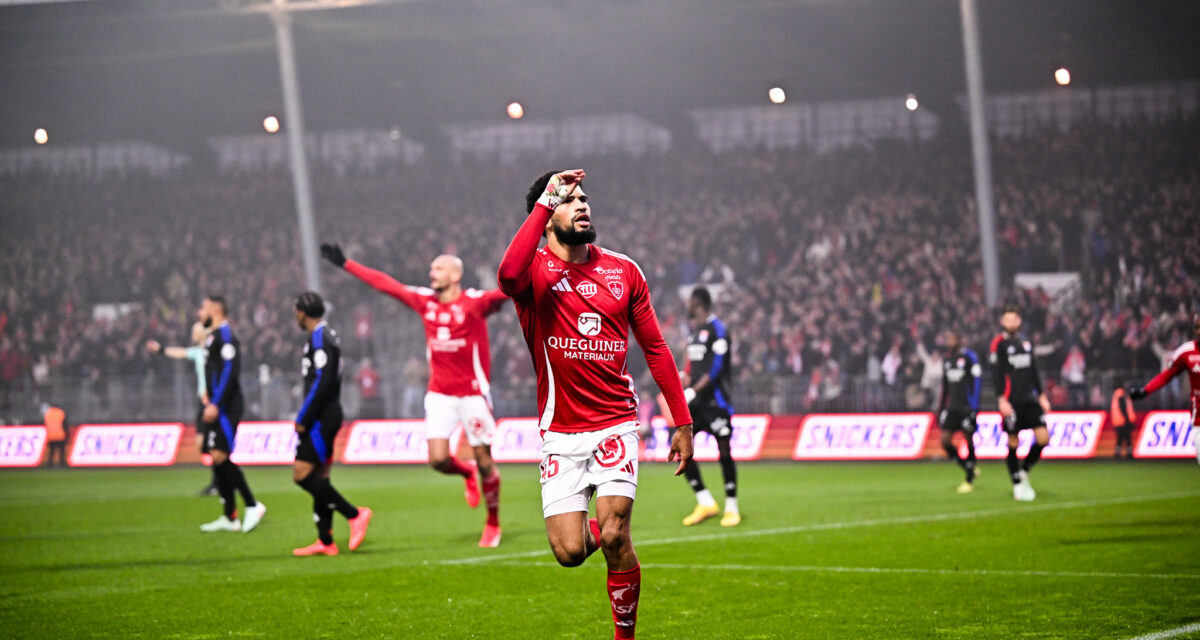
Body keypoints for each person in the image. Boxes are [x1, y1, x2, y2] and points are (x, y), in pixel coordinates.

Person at [497, 168, 694, 640]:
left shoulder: (623, 271)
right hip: (560, 433)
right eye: (569, 200)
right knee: (568, 552)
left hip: (615, 425)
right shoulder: (532, 275)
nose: (582, 204)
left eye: (584, 198)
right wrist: (547, 197)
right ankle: (599, 523)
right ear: (545, 217)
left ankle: (623, 637)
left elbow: (657, 349)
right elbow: (505, 275)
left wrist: (681, 420)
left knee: (612, 534)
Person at [320, 244, 508, 547]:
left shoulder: (475, 303)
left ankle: (492, 523)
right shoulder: (425, 302)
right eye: (431, 269)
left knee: (486, 460)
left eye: (438, 269)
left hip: (473, 394)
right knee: (436, 459)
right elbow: (386, 284)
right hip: (439, 394)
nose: (431, 273)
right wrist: (346, 264)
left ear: (456, 274)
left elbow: (508, 290)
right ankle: (466, 473)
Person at [289, 292, 372, 556]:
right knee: (319, 476)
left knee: (301, 474)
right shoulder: (324, 336)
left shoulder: (320, 337)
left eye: (296, 311)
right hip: (325, 414)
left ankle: (355, 514)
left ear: (303, 312)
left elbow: (322, 382)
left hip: (320, 417)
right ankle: (325, 540)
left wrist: (303, 416)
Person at [196, 295, 266, 532]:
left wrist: (216, 403)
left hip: (226, 407)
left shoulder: (226, 335)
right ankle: (229, 516)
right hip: (216, 405)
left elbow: (230, 370)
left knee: (219, 456)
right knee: (215, 456)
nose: (199, 313)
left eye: (203, 308)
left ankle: (252, 504)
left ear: (216, 309)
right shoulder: (213, 336)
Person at [677, 286, 740, 527]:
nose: (688, 305)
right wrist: (685, 376)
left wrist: (694, 389)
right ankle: (705, 501)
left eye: (690, 301)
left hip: (716, 401)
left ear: (698, 302)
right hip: (696, 404)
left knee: (723, 450)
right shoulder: (695, 333)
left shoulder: (718, 329)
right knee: (683, 448)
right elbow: (693, 364)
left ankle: (731, 506)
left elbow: (716, 368)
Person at [146, 322, 218, 495]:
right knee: (202, 444)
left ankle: (218, 482)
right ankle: (221, 472)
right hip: (203, 401)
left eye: (195, 330)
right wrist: (161, 350)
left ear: (203, 333)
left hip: (214, 402)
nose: (192, 333)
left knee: (213, 444)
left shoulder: (213, 351)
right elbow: (180, 352)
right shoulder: (197, 352)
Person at [989, 304, 1052, 501]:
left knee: (1043, 437)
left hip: (1029, 400)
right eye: (1007, 319)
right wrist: (1001, 400)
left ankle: (1024, 470)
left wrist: (1041, 395)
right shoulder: (998, 344)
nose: (1011, 323)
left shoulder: (1026, 342)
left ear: (1019, 321)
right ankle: (1017, 483)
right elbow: (997, 374)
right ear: (1002, 322)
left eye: (1014, 319)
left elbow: (1033, 370)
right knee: (1013, 441)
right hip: (1011, 401)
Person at [1129, 315, 1200, 465]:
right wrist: (1145, 391)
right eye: (1196, 328)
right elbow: (1166, 376)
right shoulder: (1186, 351)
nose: (1199, 331)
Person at [937, 330, 982, 493]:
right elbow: (945, 387)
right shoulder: (947, 360)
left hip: (967, 407)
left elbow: (977, 383)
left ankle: (969, 480)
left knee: (968, 440)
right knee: (945, 441)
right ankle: (968, 467)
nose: (949, 342)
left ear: (959, 340)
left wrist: (974, 408)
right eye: (947, 339)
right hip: (952, 407)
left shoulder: (970, 358)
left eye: (952, 339)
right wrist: (941, 408)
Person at [1110, 384, 1135, 460]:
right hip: (1123, 421)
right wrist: (1128, 420)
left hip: (1118, 421)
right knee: (1127, 439)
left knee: (1120, 439)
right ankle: (1129, 455)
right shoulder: (1121, 396)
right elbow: (1123, 409)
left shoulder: (1116, 396)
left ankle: (1117, 454)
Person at [41, 403, 68, 468]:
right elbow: (65, 425)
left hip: (51, 435)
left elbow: (44, 425)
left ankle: (49, 465)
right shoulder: (61, 413)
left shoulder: (47, 414)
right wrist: (67, 434)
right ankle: (62, 464)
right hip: (60, 435)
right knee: (62, 452)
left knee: (51, 452)